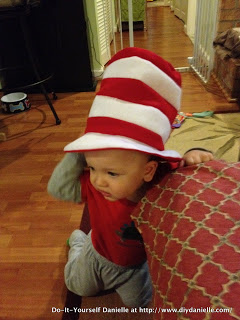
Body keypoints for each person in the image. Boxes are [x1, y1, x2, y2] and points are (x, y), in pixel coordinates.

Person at [48, 47, 213, 307]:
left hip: (136, 265)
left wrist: (196, 152)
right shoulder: (98, 186)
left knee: (140, 303)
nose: (98, 180)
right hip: (98, 255)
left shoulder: (162, 183)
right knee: (76, 284)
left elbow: (189, 179)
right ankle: (79, 242)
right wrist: (82, 153)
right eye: (92, 168)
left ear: (148, 171)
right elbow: (58, 188)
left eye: (112, 172)